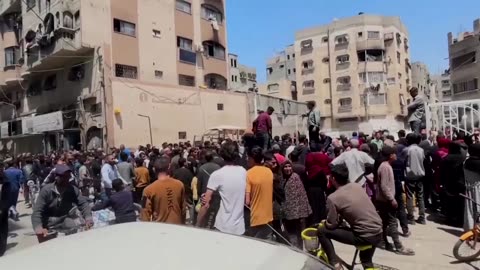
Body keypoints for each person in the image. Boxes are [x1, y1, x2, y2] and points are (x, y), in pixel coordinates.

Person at [317, 164, 383, 270]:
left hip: (364, 235)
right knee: (366, 260)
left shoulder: (333, 198)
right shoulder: (357, 186)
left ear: (333, 178)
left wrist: (326, 222)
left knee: (321, 231)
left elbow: (331, 224)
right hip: (378, 231)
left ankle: (334, 263)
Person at [31, 164, 93, 243]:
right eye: (63, 177)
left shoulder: (73, 189)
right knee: (47, 243)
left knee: (74, 233)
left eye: (68, 177)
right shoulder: (46, 190)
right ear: (56, 177)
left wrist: (88, 218)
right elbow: (37, 212)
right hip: (48, 222)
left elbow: (83, 204)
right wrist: (38, 228)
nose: (66, 179)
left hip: (64, 219)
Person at [197, 142, 247, 235]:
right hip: (240, 228)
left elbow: (205, 204)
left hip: (222, 227)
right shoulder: (244, 172)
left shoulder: (217, 174)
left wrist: (198, 225)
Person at [376, 146, 415, 255]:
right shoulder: (385, 167)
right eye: (394, 154)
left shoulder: (386, 166)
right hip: (386, 201)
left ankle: (383, 242)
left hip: (383, 200)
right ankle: (398, 246)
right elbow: (384, 186)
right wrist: (391, 199)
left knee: (384, 222)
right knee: (393, 223)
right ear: (390, 155)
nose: (396, 156)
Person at [140, 157, 186, 224]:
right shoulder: (180, 185)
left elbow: (144, 213)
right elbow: (183, 209)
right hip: (177, 227)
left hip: (160, 229)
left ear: (154, 169)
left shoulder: (147, 190)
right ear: (169, 167)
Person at [282, 160, 312, 248]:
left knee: (297, 234)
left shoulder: (295, 177)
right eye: (285, 167)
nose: (288, 169)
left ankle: (298, 249)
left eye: (289, 166)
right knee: (291, 234)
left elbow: (301, 196)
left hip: (297, 213)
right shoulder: (282, 178)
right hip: (288, 212)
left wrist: (301, 213)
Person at [245, 146, 273, 239]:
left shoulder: (249, 173)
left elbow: (247, 201)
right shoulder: (269, 171)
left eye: (248, 157)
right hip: (269, 217)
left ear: (252, 158)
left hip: (255, 218)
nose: (247, 160)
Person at [440, 142, 465, 227]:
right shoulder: (462, 158)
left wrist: (442, 183)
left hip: (449, 183)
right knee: (460, 202)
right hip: (460, 182)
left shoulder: (447, 158)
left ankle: (450, 219)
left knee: (450, 201)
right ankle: (460, 219)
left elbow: (442, 172)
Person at [305, 143, 331, 224]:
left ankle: (314, 221)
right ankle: (322, 221)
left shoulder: (309, 156)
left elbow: (307, 167)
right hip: (321, 183)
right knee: (322, 204)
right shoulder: (324, 157)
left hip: (311, 184)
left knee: (313, 205)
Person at [404, 133, 426, 225]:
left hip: (409, 176)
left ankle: (411, 217)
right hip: (420, 175)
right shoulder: (421, 150)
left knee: (409, 196)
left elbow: (404, 161)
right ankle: (422, 217)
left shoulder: (407, 150)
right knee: (420, 196)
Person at [464, 143, 480, 231]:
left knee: (470, 210)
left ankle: (470, 228)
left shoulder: (467, 161)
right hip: (478, 188)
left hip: (469, 188)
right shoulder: (478, 163)